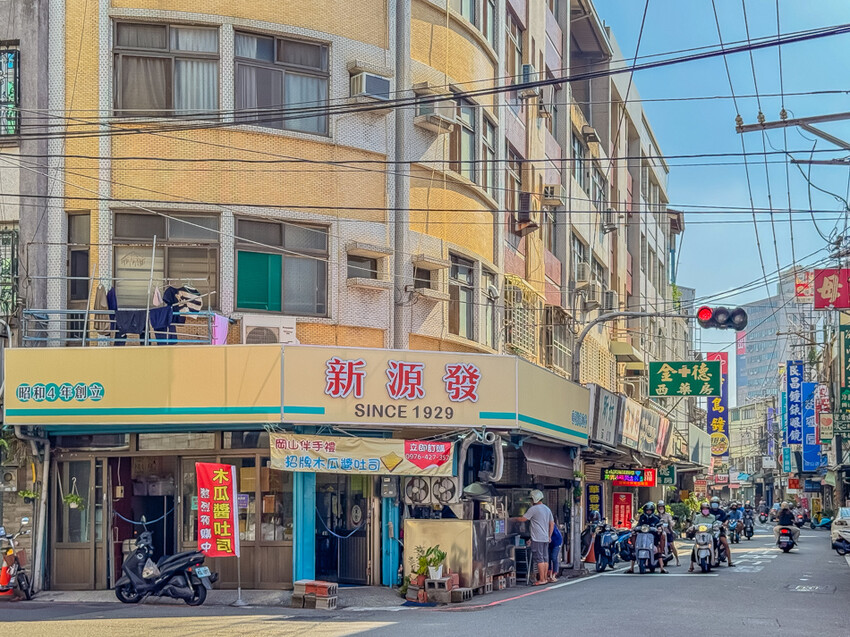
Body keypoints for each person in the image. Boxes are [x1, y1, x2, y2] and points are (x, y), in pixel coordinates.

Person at [518, 489, 555, 585]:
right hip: (545, 538)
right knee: (545, 558)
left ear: (534, 499)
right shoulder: (547, 509)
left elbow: (523, 519)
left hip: (537, 538)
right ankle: (545, 578)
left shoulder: (533, 509)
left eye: (531, 499)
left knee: (539, 559)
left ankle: (542, 579)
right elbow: (552, 523)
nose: (530, 501)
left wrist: (511, 519)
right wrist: (549, 536)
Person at [626, 502, 668, 574]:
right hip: (642, 537)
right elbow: (638, 525)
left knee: (662, 536)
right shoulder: (642, 517)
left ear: (652, 511)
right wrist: (634, 528)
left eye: (650, 510)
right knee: (633, 537)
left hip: (653, 538)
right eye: (647, 510)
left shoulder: (656, 518)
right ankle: (631, 568)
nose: (648, 512)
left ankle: (662, 568)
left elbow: (660, 525)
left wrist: (659, 529)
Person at [688, 501, 717, 573]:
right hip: (699, 536)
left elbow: (715, 524)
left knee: (715, 541)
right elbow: (694, 525)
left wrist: (716, 526)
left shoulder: (712, 517)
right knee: (695, 548)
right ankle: (691, 565)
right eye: (703, 509)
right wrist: (690, 529)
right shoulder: (698, 517)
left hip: (709, 535)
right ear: (701, 510)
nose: (705, 510)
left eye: (706, 509)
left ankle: (715, 556)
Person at [709, 496, 734, 566]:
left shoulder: (721, 512)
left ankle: (729, 561)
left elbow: (726, 519)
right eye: (713, 503)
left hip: (720, 531)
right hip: (709, 531)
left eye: (716, 503)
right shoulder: (708, 512)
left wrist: (725, 523)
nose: (714, 505)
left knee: (725, 544)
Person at [657, 500, 680, 566]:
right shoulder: (656, 516)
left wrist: (671, 523)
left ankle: (677, 560)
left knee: (672, 545)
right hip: (659, 533)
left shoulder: (667, 515)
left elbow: (671, 523)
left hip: (667, 532)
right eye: (659, 507)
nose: (661, 508)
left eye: (662, 507)